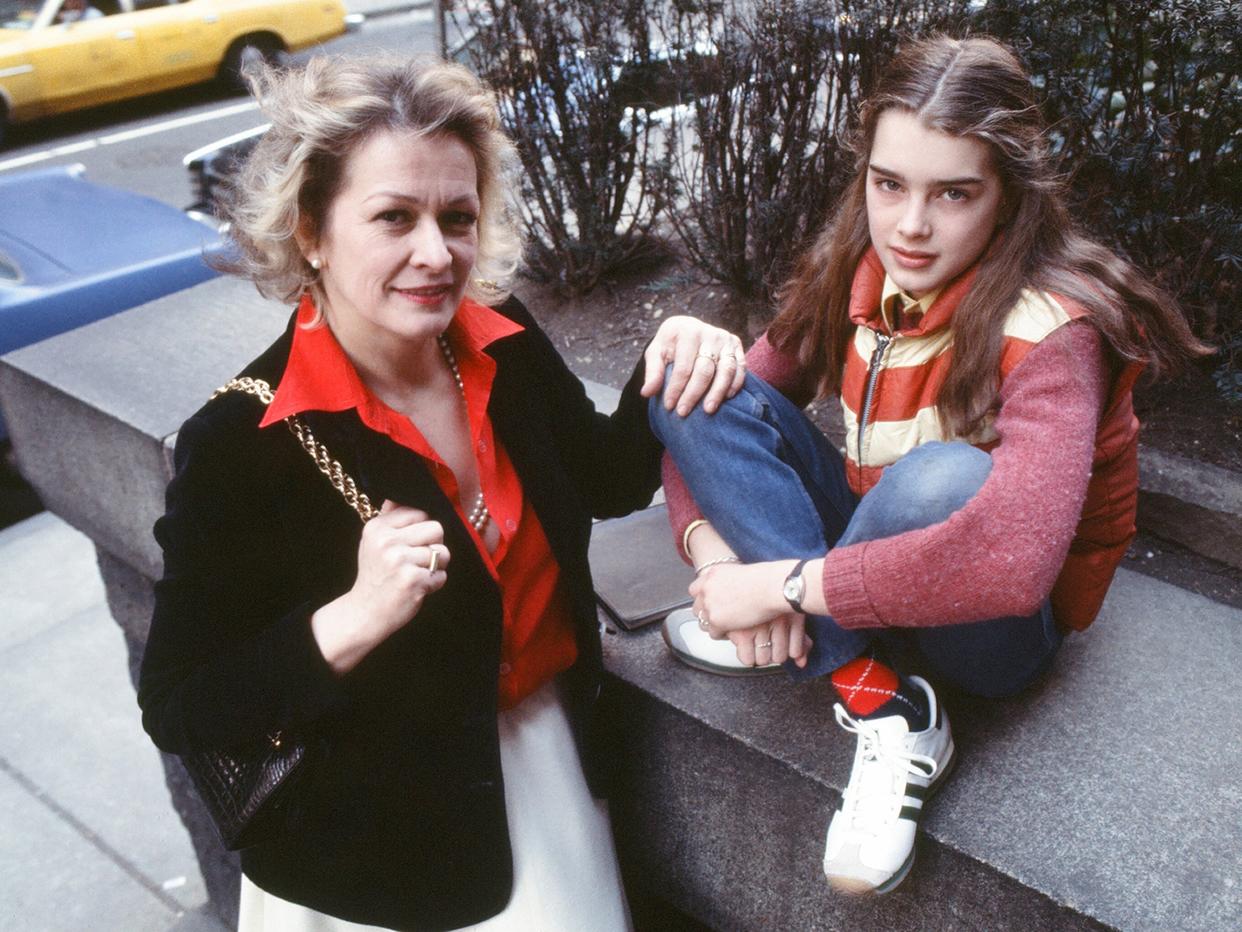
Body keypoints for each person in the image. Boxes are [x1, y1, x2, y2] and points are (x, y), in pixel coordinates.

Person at [137, 54, 744, 931]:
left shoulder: (503, 342)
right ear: (311, 229)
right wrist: (351, 618)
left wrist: (676, 352)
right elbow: (180, 703)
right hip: (380, 856)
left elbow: (605, 477)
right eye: (394, 217)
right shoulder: (241, 443)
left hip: (551, 775)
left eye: (456, 217)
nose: (437, 253)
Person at [649, 34, 1209, 896]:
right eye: (889, 184)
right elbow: (719, 413)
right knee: (692, 376)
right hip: (869, 573)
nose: (910, 224)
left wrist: (783, 591)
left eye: (954, 193)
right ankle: (870, 683)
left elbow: (1014, 567)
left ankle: (886, 707)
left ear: (1009, 197)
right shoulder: (861, 269)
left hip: (991, 630)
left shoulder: (1054, 327)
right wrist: (720, 560)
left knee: (940, 481)